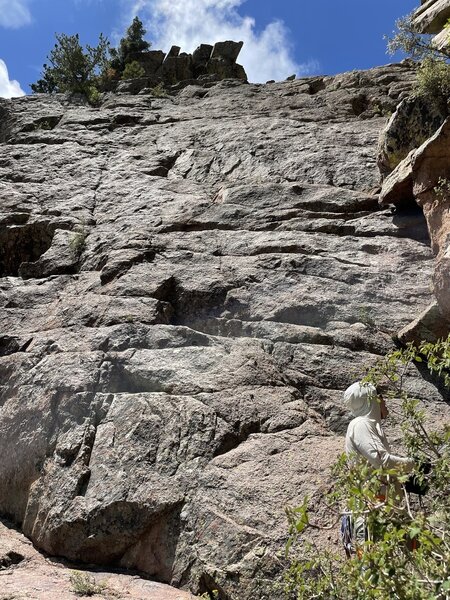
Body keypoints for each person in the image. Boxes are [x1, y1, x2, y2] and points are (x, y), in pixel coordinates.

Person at [341, 381, 414, 555]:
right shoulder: (361, 425)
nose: (384, 401)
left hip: (384, 508)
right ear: (371, 400)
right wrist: (414, 464)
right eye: (380, 396)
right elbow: (383, 462)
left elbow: (381, 469)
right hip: (371, 512)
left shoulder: (371, 428)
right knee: (374, 567)